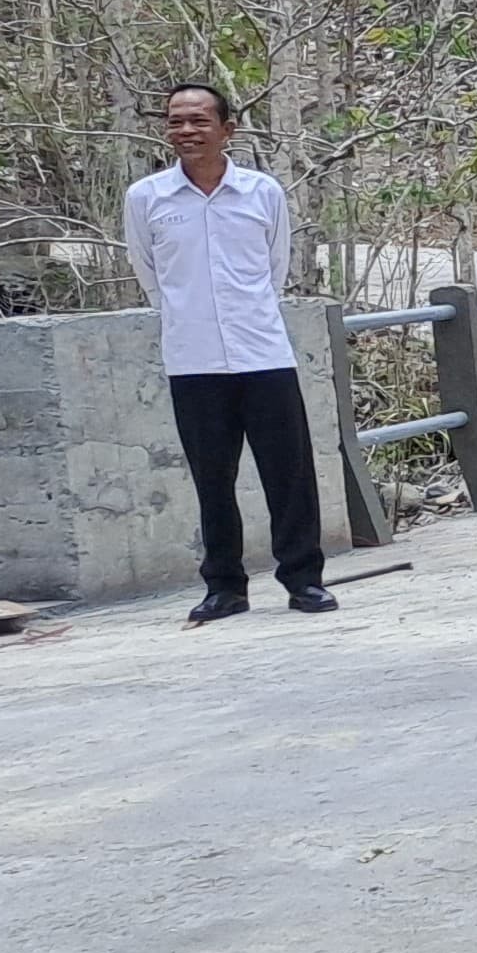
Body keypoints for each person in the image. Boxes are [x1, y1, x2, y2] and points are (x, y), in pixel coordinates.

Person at [120, 81, 333, 626]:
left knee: (289, 473)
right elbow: (151, 277)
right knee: (211, 477)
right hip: (192, 360)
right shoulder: (148, 199)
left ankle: (303, 580)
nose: (186, 131)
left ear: (227, 129)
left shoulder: (262, 193)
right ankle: (224, 587)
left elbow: (274, 268)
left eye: (198, 121)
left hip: (262, 352)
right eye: (175, 122)